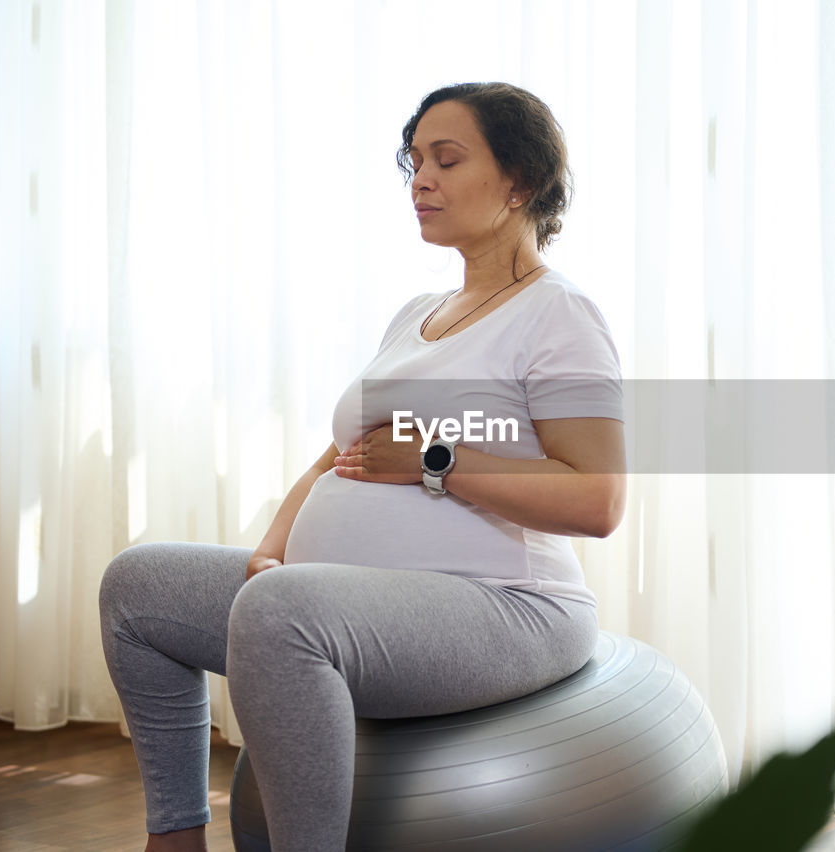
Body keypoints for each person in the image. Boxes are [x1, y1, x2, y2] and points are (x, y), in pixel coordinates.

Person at [98, 81, 627, 852]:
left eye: (447, 159)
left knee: (282, 615)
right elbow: (341, 456)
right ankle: (173, 839)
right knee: (137, 586)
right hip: (339, 604)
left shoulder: (560, 314)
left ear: (520, 183)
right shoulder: (415, 313)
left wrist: (437, 461)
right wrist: (274, 548)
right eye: (414, 161)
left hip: (508, 605)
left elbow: (598, 500)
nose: (421, 179)